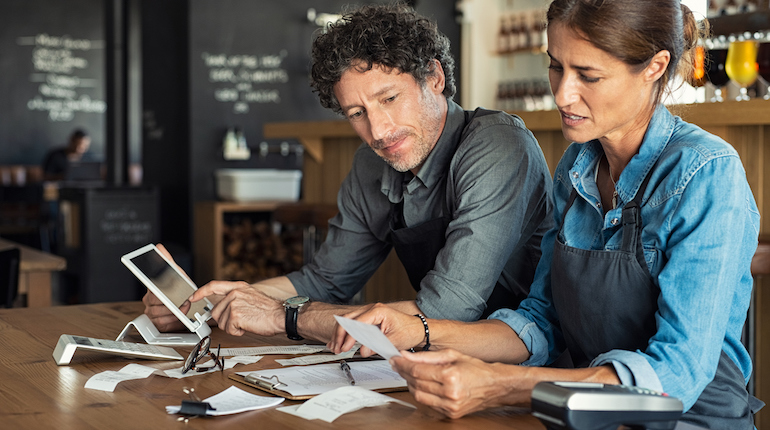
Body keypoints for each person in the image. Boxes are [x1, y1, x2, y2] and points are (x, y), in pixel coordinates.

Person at [329, 0, 764, 428]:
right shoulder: (576, 168)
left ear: (655, 67)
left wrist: (505, 385)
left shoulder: (706, 173)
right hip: (585, 415)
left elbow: (677, 375)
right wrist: (418, 330)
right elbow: (541, 321)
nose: (562, 93)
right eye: (556, 66)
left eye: (588, 75)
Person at [143, 3, 553, 342]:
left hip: (527, 363)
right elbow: (325, 280)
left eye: (389, 98)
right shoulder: (372, 163)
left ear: (435, 78)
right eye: (357, 113)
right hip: (438, 363)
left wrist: (285, 317)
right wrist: (206, 303)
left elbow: (444, 311)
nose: (378, 131)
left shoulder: (498, 147)